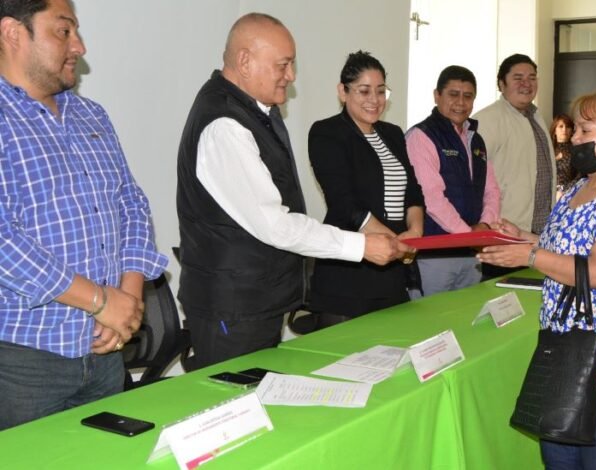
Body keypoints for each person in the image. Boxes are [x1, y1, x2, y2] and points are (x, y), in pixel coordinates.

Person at [176, 14, 410, 369]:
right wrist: (362, 246)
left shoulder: (254, 111)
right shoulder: (225, 124)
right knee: (236, 399)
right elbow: (275, 224)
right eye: (283, 65)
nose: (291, 76)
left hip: (256, 300)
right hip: (233, 308)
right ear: (245, 61)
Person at [478, 87, 596, 468]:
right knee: (558, 457)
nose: (575, 138)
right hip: (566, 349)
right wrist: (522, 237)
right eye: (577, 129)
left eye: (586, 130)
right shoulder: (580, 187)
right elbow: (564, 246)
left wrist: (530, 256)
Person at [0, 0, 168, 430]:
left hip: (105, 353)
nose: (80, 46)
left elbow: (131, 203)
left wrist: (127, 300)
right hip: (23, 364)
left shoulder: (91, 114)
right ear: (13, 33)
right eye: (64, 31)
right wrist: (101, 301)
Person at [307, 51, 424, 322]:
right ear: (343, 92)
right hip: (348, 275)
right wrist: (396, 243)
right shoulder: (327, 132)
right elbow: (344, 203)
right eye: (364, 91)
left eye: (381, 91)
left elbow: (412, 191)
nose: (375, 99)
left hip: (393, 271)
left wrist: (415, 233)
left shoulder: (393, 134)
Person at [405, 65, 500, 296]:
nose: (461, 102)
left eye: (468, 96)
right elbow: (432, 198)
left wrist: (485, 227)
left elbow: (491, 191)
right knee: (431, 316)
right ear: (437, 95)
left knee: (467, 312)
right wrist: (469, 236)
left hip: (472, 253)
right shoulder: (421, 136)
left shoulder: (475, 139)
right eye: (453, 94)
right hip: (435, 254)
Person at [473, 53, 556, 279]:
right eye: (518, 78)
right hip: (504, 232)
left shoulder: (537, 116)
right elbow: (474, 177)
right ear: (501, 84)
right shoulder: (487, 120)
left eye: (532, 78)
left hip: (538, 233)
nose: (526, 84)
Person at [550, 113, 577, 198]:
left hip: (569, 194)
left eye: (568, 127)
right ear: (555, 130)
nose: (564, 129)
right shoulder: (547, 150)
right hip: (547, 194)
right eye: (561, 126)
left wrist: (564, 191)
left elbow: (581, 176)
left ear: (572, 131)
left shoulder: (576, 151)